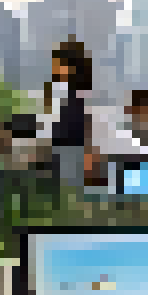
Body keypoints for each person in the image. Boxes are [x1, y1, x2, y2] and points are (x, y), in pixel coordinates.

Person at [42, 39, 95, 186]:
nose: (54, 67)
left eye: (58, 63)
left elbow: (86, 124)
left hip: (71, 148)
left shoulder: (74, 92)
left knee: (69, 189)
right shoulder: (59, 90)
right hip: (61, 147)